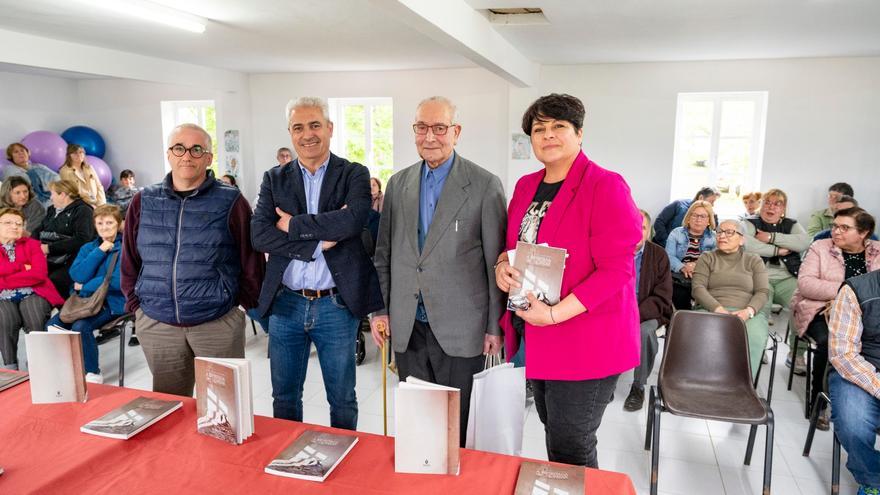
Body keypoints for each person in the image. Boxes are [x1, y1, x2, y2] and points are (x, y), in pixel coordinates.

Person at [495, 93, 642, 468]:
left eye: (558, 126)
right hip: (538, 331)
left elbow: (618, 269)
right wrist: (502, 264)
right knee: (554, 434)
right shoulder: (527, 186)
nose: (548, 135)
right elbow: (514, 245)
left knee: (571, 445)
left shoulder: (605, 185)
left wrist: (556, 314)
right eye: (539, 129)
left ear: (579, 133)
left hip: (585, 337)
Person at [370, 96, 506, 445]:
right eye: (422, 127)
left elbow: (496, 263)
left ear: (456, 132)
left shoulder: (484, 185)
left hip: (462, 329)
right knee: (418, 421)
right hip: (407, 325)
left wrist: (494, 326)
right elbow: (384, 254)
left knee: (456, 425)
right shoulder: (398, 184)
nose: (430, 136)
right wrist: (381, 309)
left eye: (440, 128)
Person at [251, 97, 382, 430]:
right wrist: (317, 243)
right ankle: (288, 459)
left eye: (314, 125)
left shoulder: (354, 173)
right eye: (298, 127)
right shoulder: (273, 178)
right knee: (284, 397)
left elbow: (352, 222)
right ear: (290, 133)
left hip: (335, 306)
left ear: (330, 129)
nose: (307, 134)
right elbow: (260, 235)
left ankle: (343, 461)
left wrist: (293, 225)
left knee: (342, 398)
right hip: (286, 304)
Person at [121, 123, 265, 397]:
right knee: (171, 407)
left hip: (216, 323)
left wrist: (242, 306)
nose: (187, 156)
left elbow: (251, 257)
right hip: (157, 322)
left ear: (208, 158)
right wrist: (135, 304)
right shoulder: (144, 200)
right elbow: (129, 257)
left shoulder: (230, 200)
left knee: (225, 409)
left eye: (196, 149)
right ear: (169, 154)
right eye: (179, 148)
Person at [791, 207, 879, 430]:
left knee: (866, 347)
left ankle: (864, 400)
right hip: (820, 310)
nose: (836, 232)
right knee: (827, 344)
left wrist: (852, 300)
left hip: (866, 316)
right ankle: (818, 405)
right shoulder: (820, 248)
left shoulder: (877, 252)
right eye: (834, 226)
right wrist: (846, 293)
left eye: (844, 227)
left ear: (864, 233)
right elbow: (806, 284)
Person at [46, 204, 127, 384]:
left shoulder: (126, 249)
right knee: (52, 326)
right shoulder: (88, 248)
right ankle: (67, 368)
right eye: (100, 223)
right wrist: (100, 250)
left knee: (81, 327)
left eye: (109, 223)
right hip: (84, 302)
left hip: (112, 302)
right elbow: (76, 274)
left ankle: (92, 373)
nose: (104, 227)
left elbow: (115, 281)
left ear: (118, 224)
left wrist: (83, 287)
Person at [742, 188, 811, 372]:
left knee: (803, 307)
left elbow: (804, 242)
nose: (771, 207)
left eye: (777, 204)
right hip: (759, 278)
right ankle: (759, 347)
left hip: (788, 278)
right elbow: (747, 244)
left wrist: (771, 237)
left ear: (783, 208)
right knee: (760, 310)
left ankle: (796, 354)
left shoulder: (792, 224)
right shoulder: (750, 223)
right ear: (761, 205)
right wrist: (777, 250)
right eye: (767, 202)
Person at [691, 219, 770, 377]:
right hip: (711, 310)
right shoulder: (707, 258)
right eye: (719, 232)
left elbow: (762, 291)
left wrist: (748, 311)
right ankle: (702, 383)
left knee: (753, 336)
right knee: (704, 336)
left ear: (742, 239)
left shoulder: (753, 260)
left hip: (746, 313)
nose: (722, 236)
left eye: (729, 232)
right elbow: (698, 289)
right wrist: (718, 309)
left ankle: (743, 386)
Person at [827, 269, 880, 495]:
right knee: (853, 423)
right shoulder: (856, 289)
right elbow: (843, 355)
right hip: (858, 371)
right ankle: (873, 480)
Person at [0, 208, 63, 370]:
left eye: (18, 224)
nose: (14, 226)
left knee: (34, 315)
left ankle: (38, 365)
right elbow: (29, 272)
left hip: (36, 291)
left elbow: (39, 274)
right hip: (2, 296)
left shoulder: (33, 245)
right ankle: (10, 367)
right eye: (8, 222)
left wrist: (6, 277)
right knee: (5, 319)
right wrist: (23, 267)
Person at [623, 209, 673, 412]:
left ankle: (638, 386)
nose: (637, 231)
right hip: (617, 309)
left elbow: (662, 296)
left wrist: (634, 314)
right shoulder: (613, 251)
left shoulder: (658, 255)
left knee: (644, 332)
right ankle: (605, 378)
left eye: (642, 227)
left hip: (648, 311)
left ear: (648, 231)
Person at [31, 180, 96, 297]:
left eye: (52, 193)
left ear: (63, 195)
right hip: (50, 257)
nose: (50, 198)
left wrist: (49, 248)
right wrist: (35, 247)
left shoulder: (83, 210)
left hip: (72, 259)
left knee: (53, 281)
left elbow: (83, 239)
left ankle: (58, 309)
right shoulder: (52, 210)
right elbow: (38, 230)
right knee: (30, 276)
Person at [664, 200, 717, 310]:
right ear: (688, 217)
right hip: (678, 276)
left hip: (703, 276)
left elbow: (715, 259)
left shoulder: (714, 238)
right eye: (695, 215)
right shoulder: (676, 233)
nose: (698, 219)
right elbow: (668, 256)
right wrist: (683, 267)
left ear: (709, 220)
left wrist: (696, 265)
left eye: (703, 216)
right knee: (680, 296)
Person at [652, 186, 719, 247]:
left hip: (686, 251)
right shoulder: (679, 205)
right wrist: (668, 243)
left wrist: (714, 217)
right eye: (712, 201)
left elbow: (711, 232)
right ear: (701, 197)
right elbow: (659, 222)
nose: (713, 205)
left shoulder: (707, 215)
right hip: (663, 245)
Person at [4, 142, 60, 207]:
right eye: (16, 152)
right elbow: (24, 183)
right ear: (11, 157)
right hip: (29, 203)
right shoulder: (9, 169)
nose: (20, 153)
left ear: (28, 153)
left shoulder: (39, 166)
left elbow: (57, 178)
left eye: (22, 150)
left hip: (50, 196)